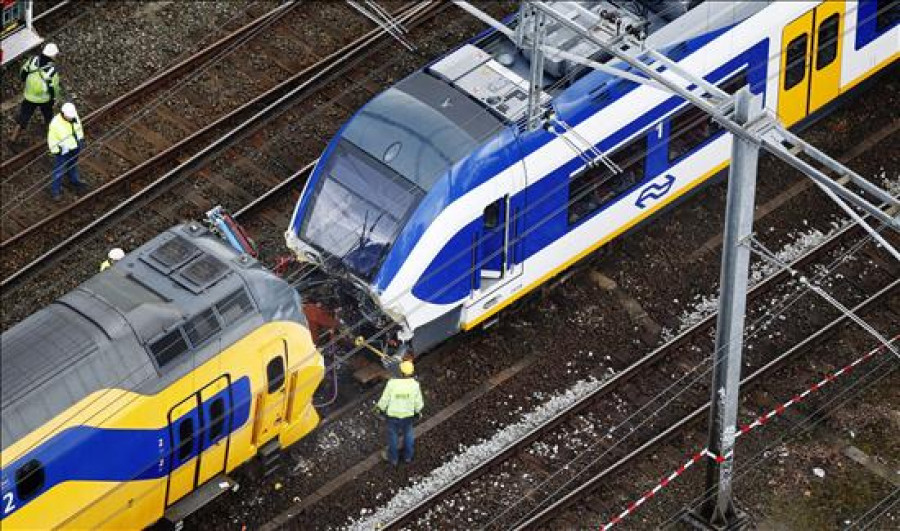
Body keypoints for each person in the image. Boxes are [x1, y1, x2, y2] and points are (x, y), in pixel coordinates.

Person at [376, 360, 424, 466]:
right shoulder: (415, 385)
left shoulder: (392, 383)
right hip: (408, 416)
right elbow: (419, 403)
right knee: (408, 434)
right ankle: (408, 456)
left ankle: (393, 459)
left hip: (393, 416)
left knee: (393, 437)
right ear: (411, 372)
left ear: (401, 372)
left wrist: (379, 409)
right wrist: (418, 411)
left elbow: (385, 399)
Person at [11, 43, 61, 143]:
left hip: (29, 95)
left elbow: (23, 73)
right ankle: (51, 133)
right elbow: (53, 88)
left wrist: (26, 82)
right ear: (52, 56)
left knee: (24, 115)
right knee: (48, 115)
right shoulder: (52, 71)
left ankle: (13, 137)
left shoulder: (32, 60)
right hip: (44, 99)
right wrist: (54, 98)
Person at [47, 102, 86, 200]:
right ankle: (55, 191)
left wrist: (81, 139)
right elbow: (52, 139)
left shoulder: (74, 115)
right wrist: (56, 151)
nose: (71, 118)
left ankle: (74, 180)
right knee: (59, 171)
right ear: (63, 113)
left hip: (75, 147)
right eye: (69, 116)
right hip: (62, 151)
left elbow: (79, 128)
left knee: (73, 164)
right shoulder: (55, 123)